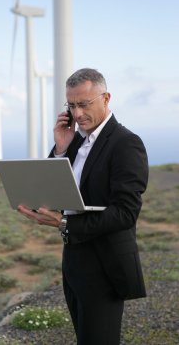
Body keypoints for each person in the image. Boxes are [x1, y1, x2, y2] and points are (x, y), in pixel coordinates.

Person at [18, 68, 149, 345]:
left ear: (106, 98)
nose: (77, 114)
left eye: (84, 104)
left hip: (106, 265)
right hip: (74, 260)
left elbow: (125, 213)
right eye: (72, 105)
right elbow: (57, 191)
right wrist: (61, 148)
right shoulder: (74, 142)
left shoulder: (126, 144)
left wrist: (64, 223)